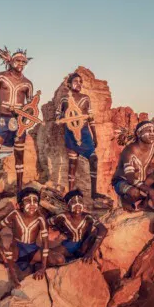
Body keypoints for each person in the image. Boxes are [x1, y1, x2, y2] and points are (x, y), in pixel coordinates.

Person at [0, 47, 36, 193]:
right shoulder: (1, 77)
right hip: (3, 120)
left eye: (23, 61)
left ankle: (19, 191)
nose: (21, 63)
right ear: (10, 61)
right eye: (18, 60)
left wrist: (25, 115)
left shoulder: (27, 84)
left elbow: (31, 107)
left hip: (19, 123)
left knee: (19, 156)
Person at [55, 72, 111, 206]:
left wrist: (94, 136)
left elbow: (91, 118)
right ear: (69, 84)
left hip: (85, 134)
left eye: (80, 82)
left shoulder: (86, 98)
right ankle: (71, 193)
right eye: (76, 81)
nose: (79, 84)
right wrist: (63, 118)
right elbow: (57, 115)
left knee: (93, 159)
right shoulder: (64, 99)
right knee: (72, 163)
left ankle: (93, 192)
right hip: (70, 134)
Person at [0, 187, 60, 279]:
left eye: (35, 201)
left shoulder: (40, 219)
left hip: (32, 249)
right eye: (28, 201)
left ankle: (32, 264)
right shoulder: (15, 214)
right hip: (17, 248)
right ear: (19, 205)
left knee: (59, 259)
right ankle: (17, 268)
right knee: (7, 251)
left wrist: (43, 268)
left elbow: (45, 243)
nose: (32, 204)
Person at [111, 121, 154, 211]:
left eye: (153, 131)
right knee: (135, 192)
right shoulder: (129, 151)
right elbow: (130, 178)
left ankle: (145, 203)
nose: (152, 134)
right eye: (148, 131)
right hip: (123, 181)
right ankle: (125, 200)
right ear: (139, 133)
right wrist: (151, 191)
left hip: (141, 181)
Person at [47, 189, 108, 263]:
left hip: (84, 246)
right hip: (69, 245)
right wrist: (57, 230)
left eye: (80, 201)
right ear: (68, 205)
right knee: (50, 255)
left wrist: (91, 252)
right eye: (73, 202)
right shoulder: (63, 217)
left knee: (93, 235)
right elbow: (45, 223)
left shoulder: (87, 217)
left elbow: (103, 229)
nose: (78, 204)